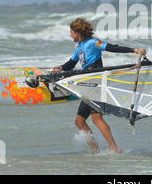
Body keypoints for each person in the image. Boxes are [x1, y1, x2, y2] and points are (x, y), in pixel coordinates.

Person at [51, 17, 146, 154]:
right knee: (82, 121)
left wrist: (134, 50)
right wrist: (60, 68)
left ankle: (111, 148)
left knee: (93, 119)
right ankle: (99, 149)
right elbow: (71, 64)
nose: (70, 35)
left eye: (71, 32)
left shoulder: (93, 43)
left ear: (78, 32)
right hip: (87, 84)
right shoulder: (78, 48)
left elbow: (112, 47)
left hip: (94, 83)